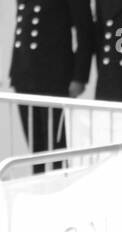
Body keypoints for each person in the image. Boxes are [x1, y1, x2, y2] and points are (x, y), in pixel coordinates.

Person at [9, 0, 95, 172]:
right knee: (35, 149)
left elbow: (85, 32)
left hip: (55, 77)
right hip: (25, 74)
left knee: (58, 149)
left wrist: (80, 77)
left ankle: (59, 189)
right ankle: (38, 188)